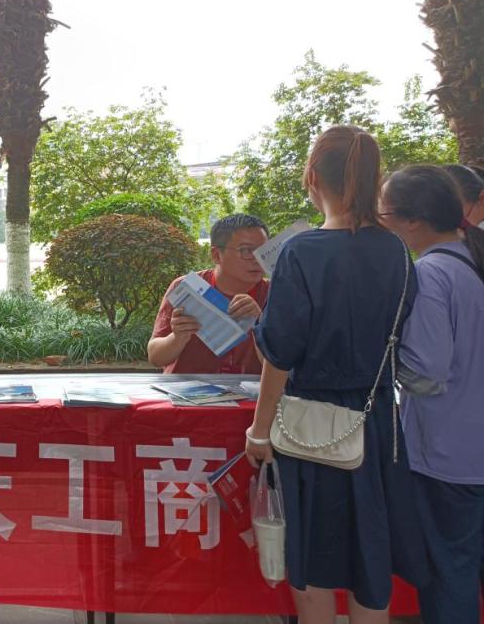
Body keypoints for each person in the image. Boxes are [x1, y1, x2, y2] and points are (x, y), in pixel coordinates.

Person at [245, 126, 428, 624]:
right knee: (371, 555)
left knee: (312, 563)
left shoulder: (301, 252)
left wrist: (259, 430)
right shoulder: (397, 251)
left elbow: (279, 353)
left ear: (312, 177)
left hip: (311, 426)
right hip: (376, 423)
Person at [380, 165, 484, 624]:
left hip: (449, 456)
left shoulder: (430, 273)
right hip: (471, 450)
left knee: (449, 577)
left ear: (414, 221)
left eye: (384, 213)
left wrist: (383, 356)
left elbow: (427, 373)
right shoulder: (471, 257)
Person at [147, 213, 269, 373]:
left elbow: (282, 368)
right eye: (246, 250)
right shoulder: (186, 288)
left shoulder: (275, 293)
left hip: (252, 388)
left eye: (263, 250)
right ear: (216, 255)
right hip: (187, 387)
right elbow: (155, 358)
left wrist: (260, 325)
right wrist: (177, 338)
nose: (257, 258)